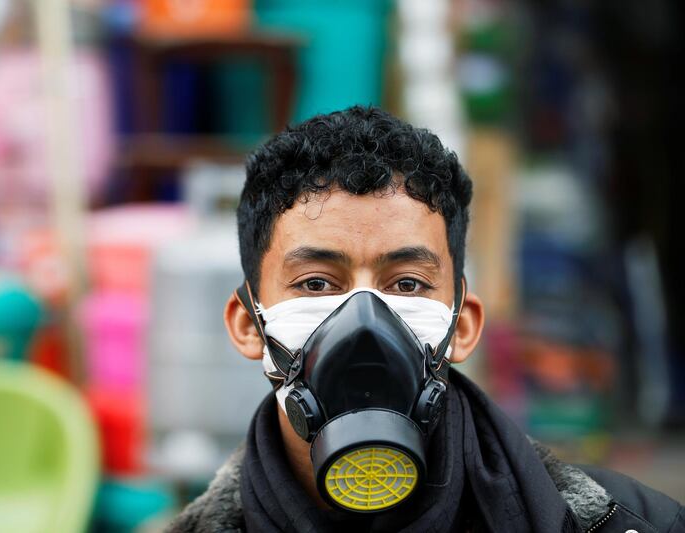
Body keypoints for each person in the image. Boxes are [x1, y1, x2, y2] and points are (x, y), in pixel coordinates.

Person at [165, 107, 684, 532]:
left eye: (406, 283)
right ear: (248, 324)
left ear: (462, 326)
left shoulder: (632, 525)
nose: (365, 323)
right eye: (317, 283)